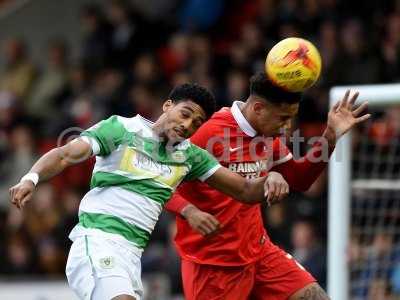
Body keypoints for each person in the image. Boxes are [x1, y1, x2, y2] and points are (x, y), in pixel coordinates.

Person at [9, 83, 289, 300]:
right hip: (98, 240)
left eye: (197, 122)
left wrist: (273, 176)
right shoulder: (121, 128)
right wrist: (31, 178)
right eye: (185, 113)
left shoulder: (190, 156)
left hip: (132, 255)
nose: (188, 124)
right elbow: (66, 154)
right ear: (167, 105)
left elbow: (243, 190)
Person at [165, 73, 371, 300]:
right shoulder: (207, 132)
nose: (287, 126)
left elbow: (299, 179)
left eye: (291, 118)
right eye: (283, 118)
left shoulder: (267, 134)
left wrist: (330, 137)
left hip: (260, 253)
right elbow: (160, 182)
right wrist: (189, 211)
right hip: (213, 264)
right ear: (258, 108)